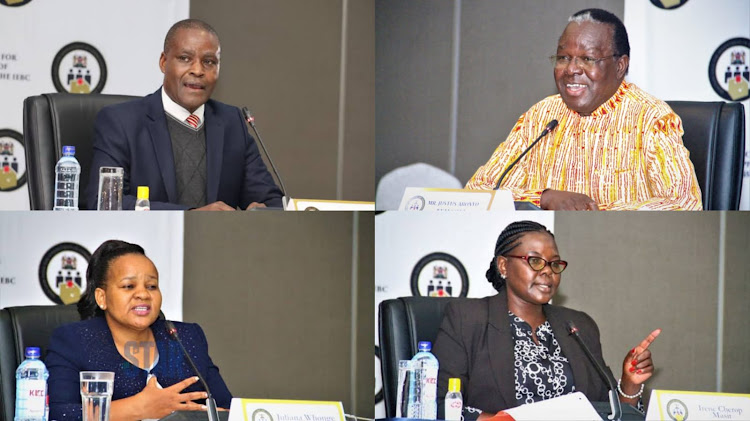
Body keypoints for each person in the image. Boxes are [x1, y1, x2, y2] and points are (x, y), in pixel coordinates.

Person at [465, 9, 702, 211]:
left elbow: (684, 203)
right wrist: (545, 198)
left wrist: (590, 212)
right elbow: (478, 191)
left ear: (620, 66)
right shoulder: (540, 117)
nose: (571, 69)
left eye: (587, 59)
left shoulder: (651, 119)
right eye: (563, 57)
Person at [433, 221, 660, 419]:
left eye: (554, 264)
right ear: (503, 265)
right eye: (535, 261)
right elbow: (442, 405)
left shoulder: (579, 326)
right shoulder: (468, 318)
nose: (547, 272)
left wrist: (630, 382)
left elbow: (610, 413)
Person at [86, 19, 283, 210]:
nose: (198, 70)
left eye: (209, 61)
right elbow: (104, 202)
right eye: (185, 58)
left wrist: (264, 209)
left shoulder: (232, 122)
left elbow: (269, 199)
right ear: (164, 62)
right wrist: (190, 215)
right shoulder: (121, 122)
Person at [46, 240, 232, 420]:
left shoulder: (185, 337)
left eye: (152, 286)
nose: (143, 294)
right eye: (129, 286)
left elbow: (228, 410)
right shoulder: (74, 340)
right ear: (101, 298)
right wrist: (139, 408)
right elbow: (57, 414)